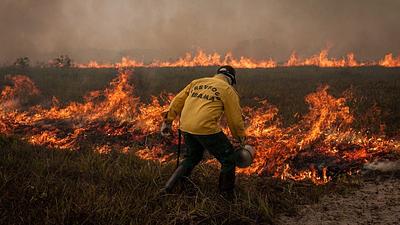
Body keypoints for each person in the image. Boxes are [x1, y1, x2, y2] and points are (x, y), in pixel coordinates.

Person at [160, 65, 247, 194]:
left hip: (185, 126)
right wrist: (240, 139)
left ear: (217, 74)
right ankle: (226, 196)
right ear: (231, 80)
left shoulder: (197, 82)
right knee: (228, 159)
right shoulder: (228, 90)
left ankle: (170, 187)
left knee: (192, 156)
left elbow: (177, 101)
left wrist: (168, 121)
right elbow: (234, 119)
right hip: (206, 128)